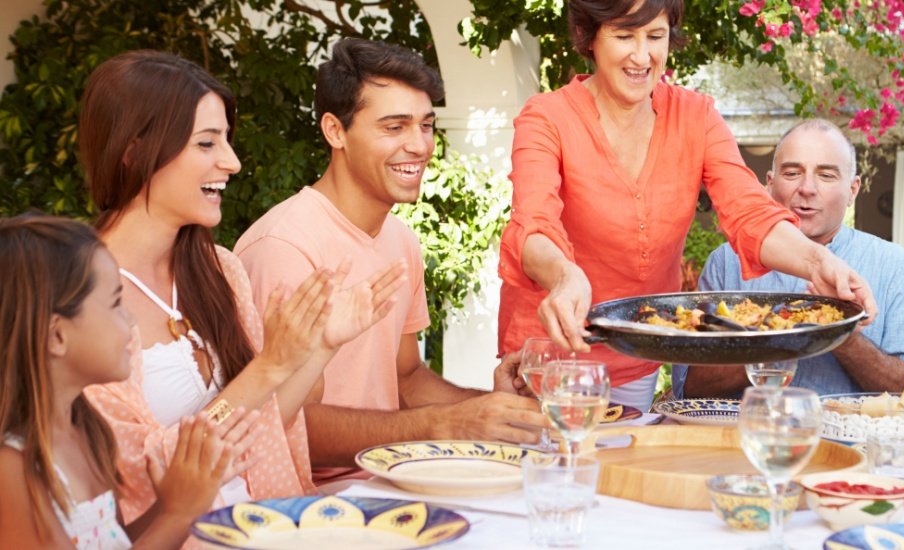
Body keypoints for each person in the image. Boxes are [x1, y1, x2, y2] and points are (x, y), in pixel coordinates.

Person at [498, 0, 877, 411]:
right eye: (624, 36)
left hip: (634, 358)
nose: (642, 56)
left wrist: (819, 263)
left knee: (623, 473)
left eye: (655, 37)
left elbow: (749, 210)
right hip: (547, 359)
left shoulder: (696, 117)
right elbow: (533, 224)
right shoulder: (547, 117)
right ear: (589, 37)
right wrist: (565, 276)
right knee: (551, 472)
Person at [77, 50, 401, 524]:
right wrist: (268, 367)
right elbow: (145, 472)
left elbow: (262, 424)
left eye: (226, 141)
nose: (231, 162)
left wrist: (323, 347)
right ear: (134, 151)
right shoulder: (74, 295)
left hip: (262, 526)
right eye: (206, 144)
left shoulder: (220, 270)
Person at [235, 38, 545, 482]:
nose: (419, 145)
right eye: (394, 127)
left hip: (398, 480)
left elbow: (407, 379)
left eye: (425, 125)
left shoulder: (400, 240)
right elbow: (279, 423)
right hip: (313, 503)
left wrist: (489, 408)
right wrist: (441, 427)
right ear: (335, 131)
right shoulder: (283, 248)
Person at [0, 215, 256, 549]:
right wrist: (178, 514)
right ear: (57, 336)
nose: (131, 318)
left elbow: (115, 542)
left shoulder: (86, 432)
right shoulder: (14, 469)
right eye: (115, 304)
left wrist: (172, 503)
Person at [672, 120, 904, 398]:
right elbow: (689, 386)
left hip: (852, 442)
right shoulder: (727, 262)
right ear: (769, 184)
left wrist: (840, 334)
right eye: (793, 172)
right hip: (747, 437)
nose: (807, 188)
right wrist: (778, 336)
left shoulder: (894, 266)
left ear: (853, 190)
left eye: (826, 175)